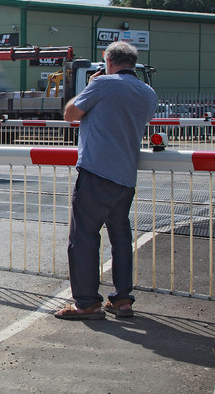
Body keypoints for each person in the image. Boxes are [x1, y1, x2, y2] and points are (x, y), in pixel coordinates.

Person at [54, 41, 157, 320]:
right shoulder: (148, 92)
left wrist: (89, 85)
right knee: (120, 236)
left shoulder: (102, 85)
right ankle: (122, 300)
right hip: (125, 177)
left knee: (84, 238)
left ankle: (87, 303)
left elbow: (70, 115)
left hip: (96, 172)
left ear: (107, 61)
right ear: (132, 63)